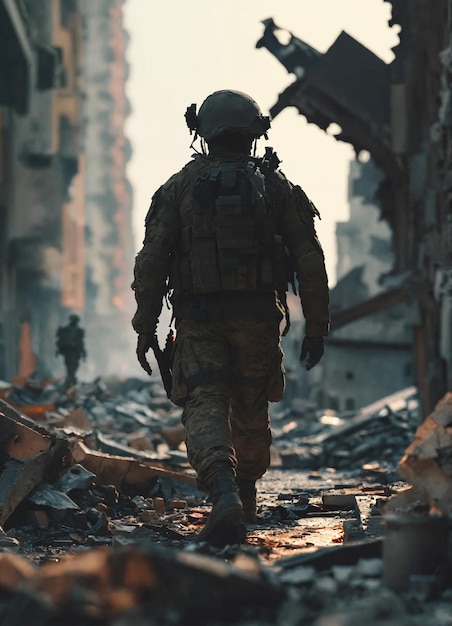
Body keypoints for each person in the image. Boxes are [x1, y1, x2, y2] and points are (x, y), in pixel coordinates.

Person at [131, 89, 330, 547]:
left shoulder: (178, 188)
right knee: (250, 407)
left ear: (202, 132)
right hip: (258, 318)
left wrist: (146, 326)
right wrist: (316, 326)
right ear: (255, 132)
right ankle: (242, 490)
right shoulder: (276, 187)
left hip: (199, 319)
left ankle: (222, 491)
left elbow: (152, 262)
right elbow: (309, 260)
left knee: (204, 402)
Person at [55, 314, 87, 388]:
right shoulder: (72, 330)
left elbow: (80, 343)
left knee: (71, 368)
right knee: (72, 368)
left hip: (71, 352)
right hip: (72, 352)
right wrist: (83, 353)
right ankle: (70, 383)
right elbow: (80, 343)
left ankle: (70, 382)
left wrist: (83, 353)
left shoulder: (67, 330)